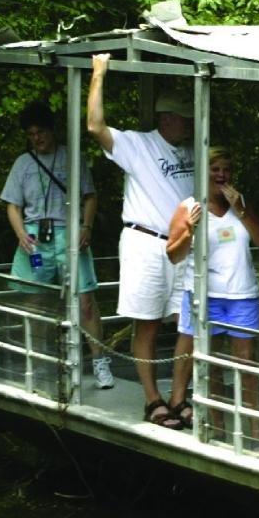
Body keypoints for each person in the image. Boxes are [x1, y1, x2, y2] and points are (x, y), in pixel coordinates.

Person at [87, 54, 197, 425]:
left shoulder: (193, 150)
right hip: (146, 243)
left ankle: (180, 397)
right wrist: (99, 73)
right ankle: (153, 400)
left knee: (188, 322)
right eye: (184, 118)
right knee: (147, 323)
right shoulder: (139, 144)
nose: (189, 124)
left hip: (186, 245)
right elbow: (95, 126)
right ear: (167, 118)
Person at [1, 99, 114, 390]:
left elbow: (90, 196)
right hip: (36, 238)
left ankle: (100, 363)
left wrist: (86, 226)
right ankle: (39, 362)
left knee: (86, 300)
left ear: (52, 130)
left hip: (69, 232)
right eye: (31, 134)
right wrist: (20, 234)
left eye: (40, 131)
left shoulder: (71, 158)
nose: (36, 138)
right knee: (36, 301)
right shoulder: (23, 163)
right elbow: (12, 205)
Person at [162, 147, 259, 432]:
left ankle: (255, 427)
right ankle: (218, 424)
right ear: (204, 172)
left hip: (241, 295)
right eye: (215, 169)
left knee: (246, 363)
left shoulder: (240, 203)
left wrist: (241, 210)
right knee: (211, 364)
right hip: (204, 296)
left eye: (226, 169)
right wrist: (189, 229)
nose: (222, 175)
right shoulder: (189, 206)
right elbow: (173, 254)